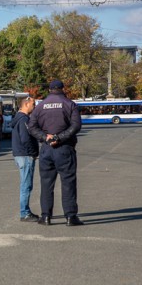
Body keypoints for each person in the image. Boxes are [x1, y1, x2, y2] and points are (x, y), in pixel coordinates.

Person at [28, 80, 84, 226]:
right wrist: (59, 138)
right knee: (68, 183)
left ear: (50, 89)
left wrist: (45, 137)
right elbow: (76, 125)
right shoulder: (69, 104)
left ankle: (46, 216)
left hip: (46, 149)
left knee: (46, 184)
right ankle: (70, 217)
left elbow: (32, 126)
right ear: (62, 89)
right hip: (64, 148)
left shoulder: (40, 106)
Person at [11, 97, 40, 222]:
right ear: (26, 104)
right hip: (25, 155)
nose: (34, 106)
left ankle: (25, 211)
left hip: (20, 154)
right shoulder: (24, 119)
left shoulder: (18, 118)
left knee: (25, 184)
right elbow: (25, 138)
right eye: (33, 104)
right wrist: (33, 152)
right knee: (26, 185)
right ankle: (25, 213)